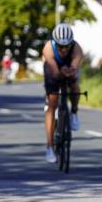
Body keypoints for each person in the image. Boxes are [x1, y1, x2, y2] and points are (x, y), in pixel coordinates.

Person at [42, 23, 84, 163]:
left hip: (68, 67)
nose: (64, 49)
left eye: (67, 46)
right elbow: (54, 71)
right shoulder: (48, 48)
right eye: (60, 46)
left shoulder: (76, 48)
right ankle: (49, 146)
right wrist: (60, 73)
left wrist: (71, 70)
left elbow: (74, 64)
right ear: (55, 43)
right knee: (52, 103)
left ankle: (74, 112)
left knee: (75, 87)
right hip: (53, 68)